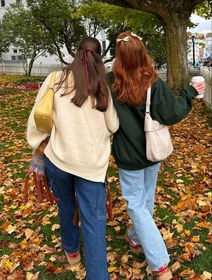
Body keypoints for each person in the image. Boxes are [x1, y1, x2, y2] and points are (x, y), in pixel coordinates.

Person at [107, 31, 205, 280]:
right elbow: (172, 114)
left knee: (138, 203)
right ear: (142, 54)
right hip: (151, 153)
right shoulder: (152, 82)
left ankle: (158, 263)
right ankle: (144, 245)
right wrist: (189, 93)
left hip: (129, 154)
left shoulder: (109, 82)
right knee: (142, 201)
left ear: (118, 55)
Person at [27, 37, 119, 280]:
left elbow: (38, 115)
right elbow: (113, 125)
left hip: (59, 159)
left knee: (66, 205)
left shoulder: (55, 79)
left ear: (77, 53)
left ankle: (71, 252)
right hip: (91, 165)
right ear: (100, 57)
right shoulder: (102, 85)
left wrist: (37, 145)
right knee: (94, 222)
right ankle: (97, 275)